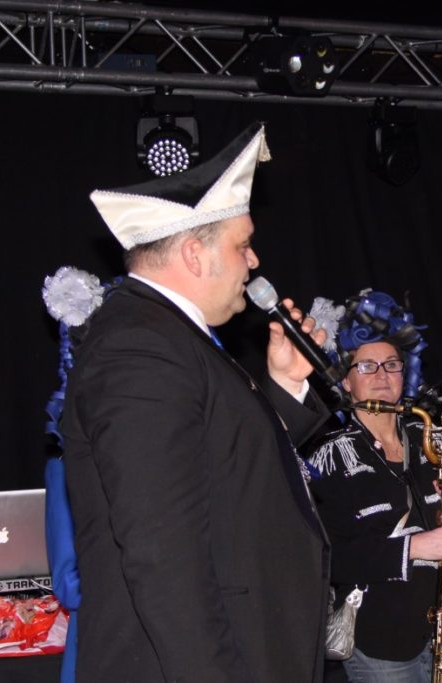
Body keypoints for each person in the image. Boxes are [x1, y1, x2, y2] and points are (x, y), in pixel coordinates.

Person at [62, 123, 332, 683]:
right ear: (193, 253)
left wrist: (285, 385)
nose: (253, 261)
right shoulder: (140, 348)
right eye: (241, 245)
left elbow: (227, 470)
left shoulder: (171, 338)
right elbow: (163, 557)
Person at [306, 290, 442, 683]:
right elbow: (324, 560)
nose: (382, 376)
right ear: (345, 381)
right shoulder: (328, 457)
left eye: (391, 365)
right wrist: (414, 548)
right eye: (367, 367)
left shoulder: (432, 438)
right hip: (382, 644)